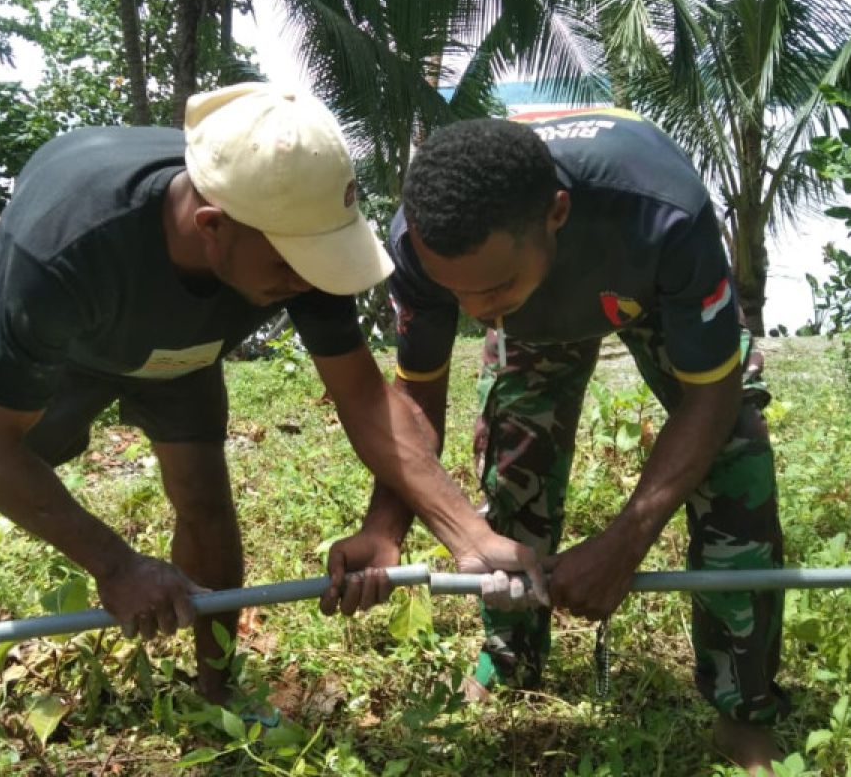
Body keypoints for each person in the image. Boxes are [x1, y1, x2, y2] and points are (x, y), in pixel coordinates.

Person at [0, 84, 546, 746]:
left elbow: (363, 397)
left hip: (182, 352)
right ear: (211, 225)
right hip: (73, 342)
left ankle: (218, 691)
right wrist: (115, 564)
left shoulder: (296, 235)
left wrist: (468, 536)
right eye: (291, 266)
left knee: (205, 501)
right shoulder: (63, 254)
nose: (307, 283)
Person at [324, 113, 786, 775]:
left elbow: (709, 396)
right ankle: (511, 660)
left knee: (738, 465)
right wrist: (384, 524)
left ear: (557, 214)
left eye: (493, 287)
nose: (478, 311)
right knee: (513, 469)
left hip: (648, 294)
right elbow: (414, 404)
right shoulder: (420, 241)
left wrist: (627, 541)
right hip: (537, 323)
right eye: (458, 293)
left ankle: (744, 710)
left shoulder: (662, 216)